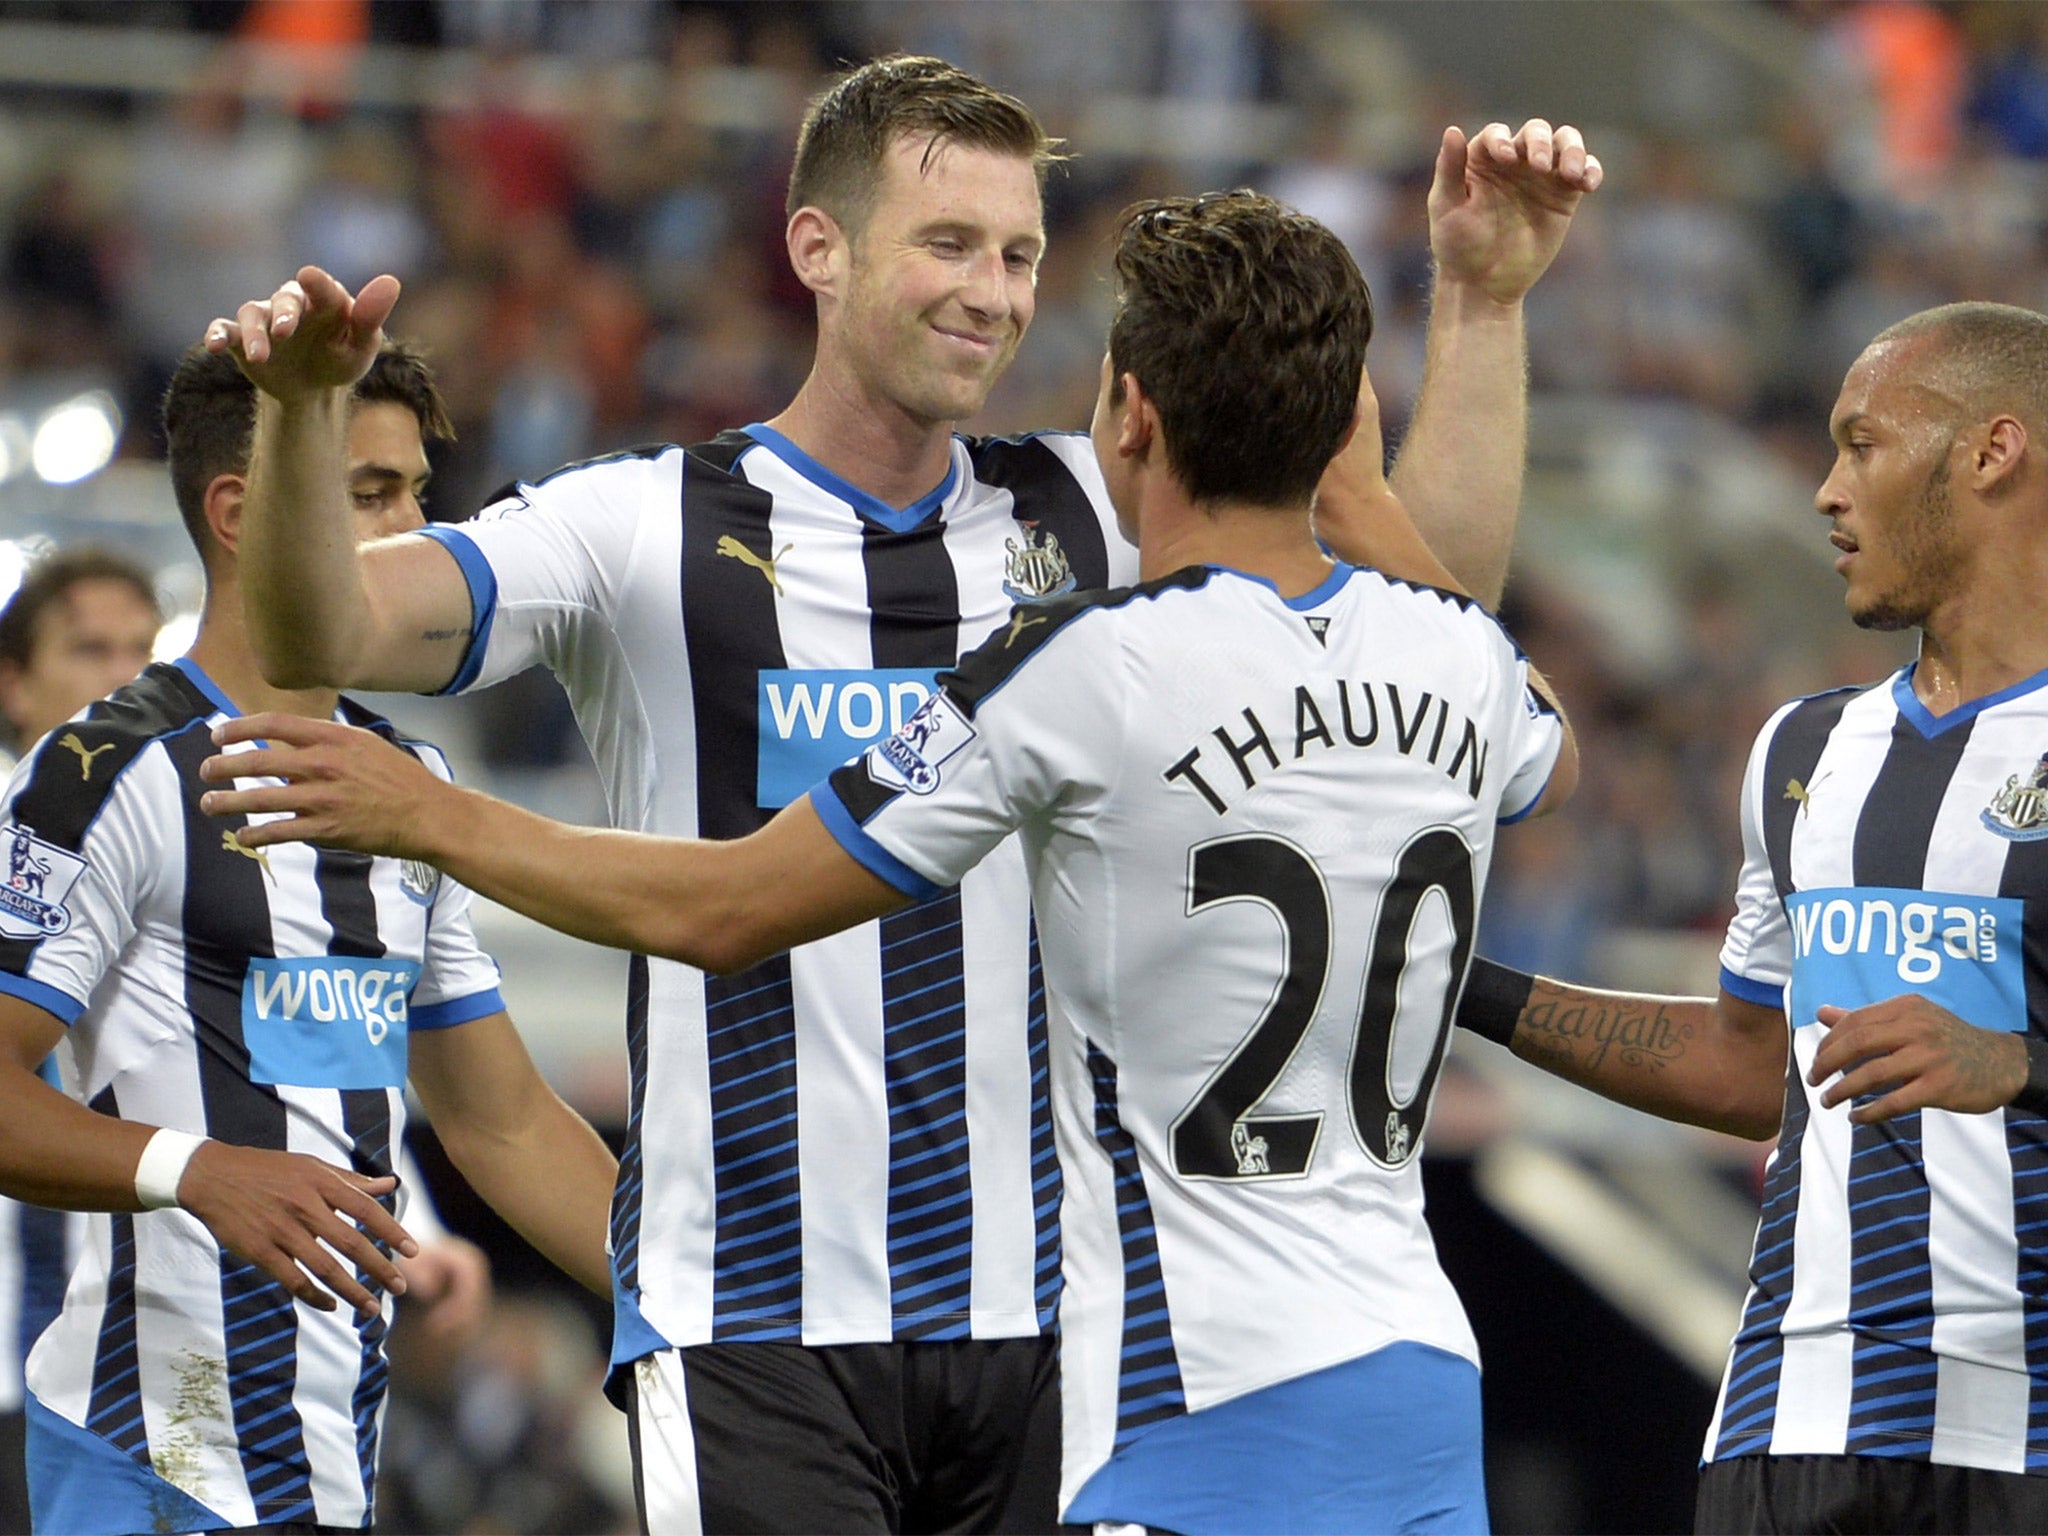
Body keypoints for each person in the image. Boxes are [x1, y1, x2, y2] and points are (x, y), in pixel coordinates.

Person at [208, 54, 1600, 1532]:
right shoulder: (638, 528)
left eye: (1018, 257)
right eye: (948, 244)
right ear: (817, 246)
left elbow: (1420, 629)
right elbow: (325, 630)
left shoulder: (1105, 509)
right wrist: (300, 423)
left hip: (1060, 1326)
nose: (995, 295)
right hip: (758, 1321)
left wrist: (1483, 308)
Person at [1436, 300, 2048, 1534]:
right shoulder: (1803, 748)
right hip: (1785, 1417)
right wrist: (1459, 988)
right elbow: (1740, 1062)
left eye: (1861, 444)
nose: (1824, 491)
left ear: (1990, 452)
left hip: (2017, 1428)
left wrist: (2019, 1062)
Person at [0, 343, 618, 1536]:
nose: (417, 528)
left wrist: (693, 1312)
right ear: (240, 513)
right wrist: (197, 1168)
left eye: (416, 491)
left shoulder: (408, 785)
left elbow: (499, 1119)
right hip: (147, 1454)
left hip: (332, 1459)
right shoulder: (107, 770)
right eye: (370, 493)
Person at [0, 546, 158, 1535]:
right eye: (90, 647)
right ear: (12, 684)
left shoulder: (182, 858)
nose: (122, 677)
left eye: (144, 651)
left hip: (142, 1368)